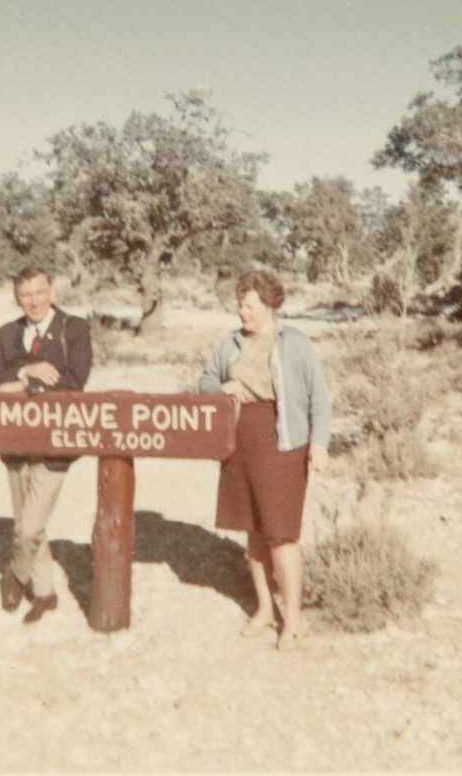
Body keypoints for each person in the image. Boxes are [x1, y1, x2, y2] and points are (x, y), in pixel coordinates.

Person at [198, 269, 331, 651]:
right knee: (253, 531)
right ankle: (264, 609)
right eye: (240, 305)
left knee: (280, 534)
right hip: (241, 442)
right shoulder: (230, 343)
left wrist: (318, 443)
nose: (242, 312)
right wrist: (220, 387)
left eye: (249, 306)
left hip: (283, 442)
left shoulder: (296, 343)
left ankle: (293, 619)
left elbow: (319, 397)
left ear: (270, 305)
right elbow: (205, 381)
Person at [0, 266, 92, 624]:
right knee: (28, 522)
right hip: (16, 442)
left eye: (40, 292)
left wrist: (24, 389)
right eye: (26, 295)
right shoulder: (8, 333)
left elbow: (74, 382)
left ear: (52, 293)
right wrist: (24, 373)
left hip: (56, 443)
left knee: (28, 525)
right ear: (17, 298)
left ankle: (15, 574)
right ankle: (44, 593)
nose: (34, 301)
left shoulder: (74, 329)